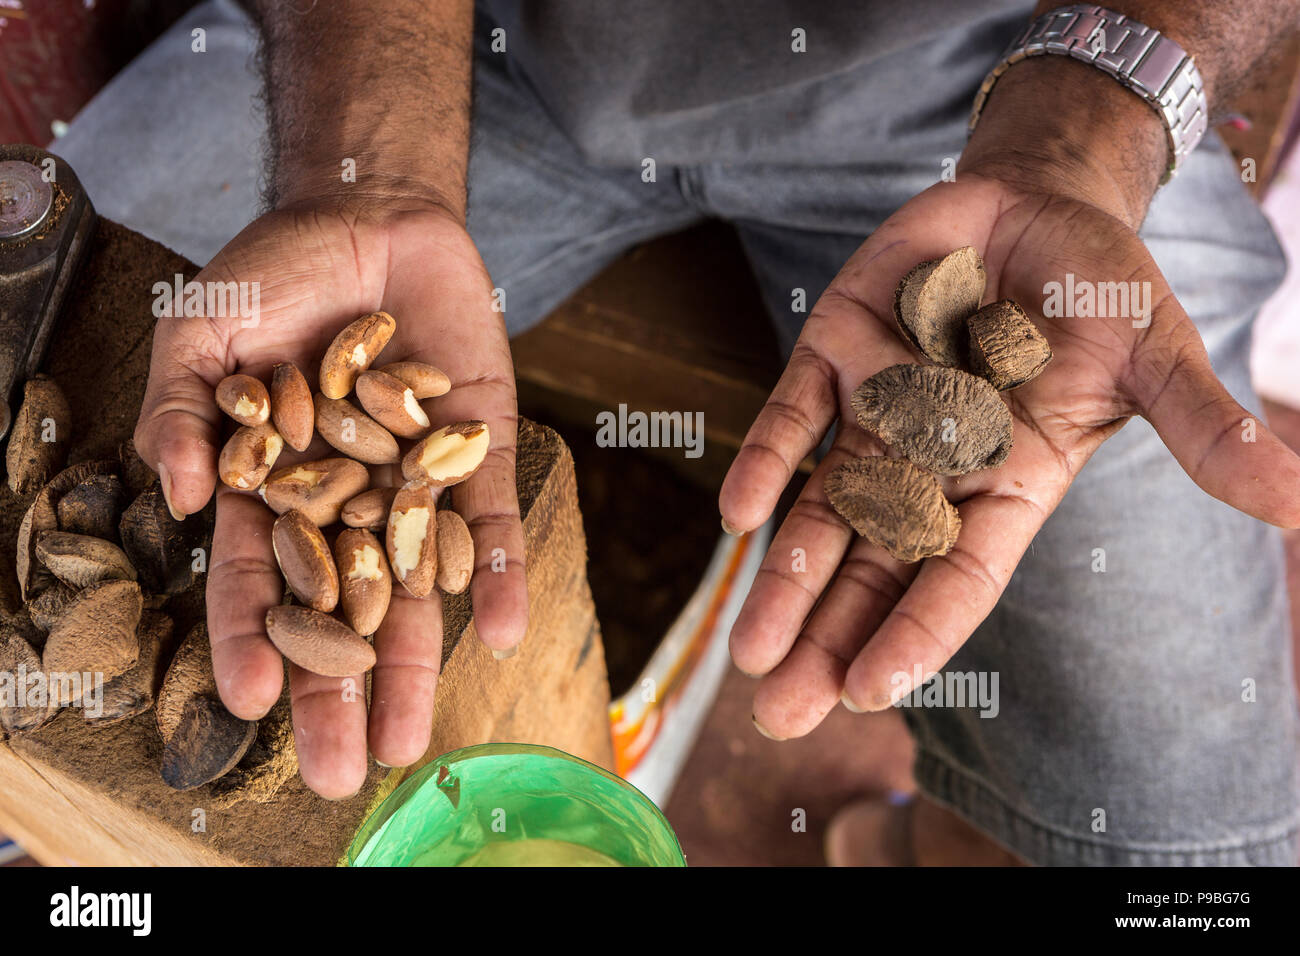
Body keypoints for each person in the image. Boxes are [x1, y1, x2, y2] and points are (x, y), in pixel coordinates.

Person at [53, 0, 1300, 865]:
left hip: (1004, 109)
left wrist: (1083, 138)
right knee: (55, 371)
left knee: (1170, 832)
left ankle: (898, 836)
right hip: (449, 57)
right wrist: (366, 172)